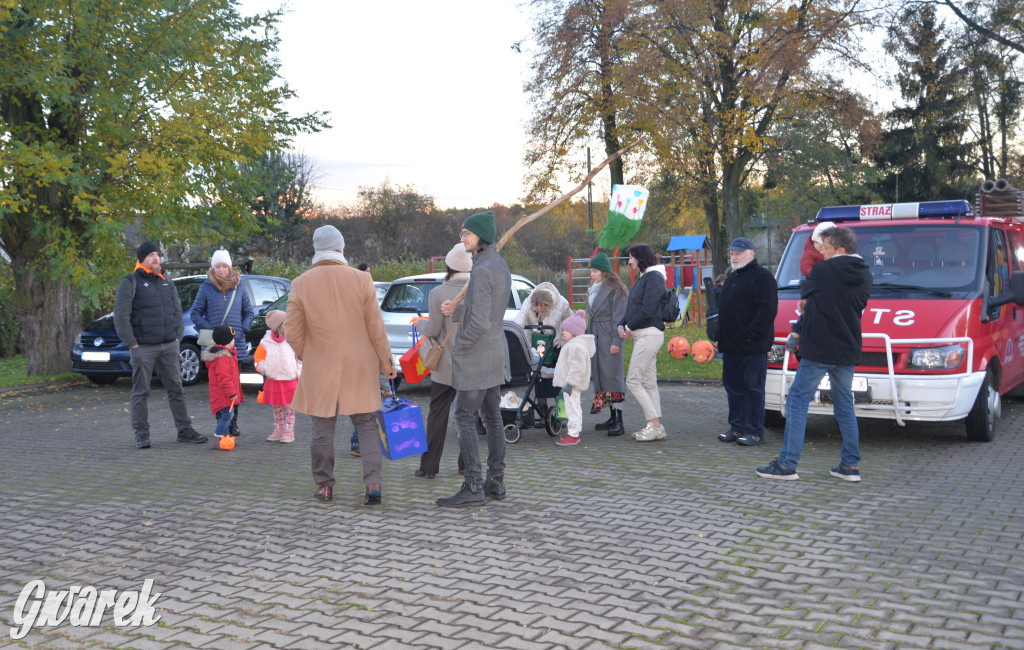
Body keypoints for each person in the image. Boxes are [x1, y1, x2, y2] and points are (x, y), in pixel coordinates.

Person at [285, 225, 398, 505]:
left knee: (322, 429)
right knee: (367, 426)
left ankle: (324, 486)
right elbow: (376, 328)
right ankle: (373, 484)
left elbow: (292, 331)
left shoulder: (300, 283)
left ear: (315, 249)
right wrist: (387, 363)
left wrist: (307, 354)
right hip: (360, 366)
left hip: (320, 365)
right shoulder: (362, 280)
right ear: (341, 249)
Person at [757, 227, 872, 481]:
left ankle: (787, 464)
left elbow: (807, 291)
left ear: (840, 250)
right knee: (844, 405)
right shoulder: (866, 275)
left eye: (827, 247)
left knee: (797, 401)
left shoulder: (822, 271)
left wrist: (810, 301)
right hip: (847, 348)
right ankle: (850, 465)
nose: (823, 251)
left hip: (819, 347)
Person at [436, 211, 512, 507]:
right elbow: (482, 309)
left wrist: (461, 346)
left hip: (478, 354)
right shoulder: (499, 265)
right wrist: (453, 311)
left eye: (467, 234)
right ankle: (496, 482)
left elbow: (479, 322)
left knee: (464, 417)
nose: (462, 238)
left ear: (481, 237)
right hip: (494, 351)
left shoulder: (482, 269)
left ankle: (473, 486)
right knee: (492, 417)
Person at [114, 242, 207, 449]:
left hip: (169, 345)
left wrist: (177, 336)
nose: (156, 258)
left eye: (157, 254)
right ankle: (141, 434)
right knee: (141, 392)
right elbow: (121, 317)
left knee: (177, 389)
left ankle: (184, 430)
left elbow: (177, 310)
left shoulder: (167, 281)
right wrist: (133, 344)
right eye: (151, 255)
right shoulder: (130, 282)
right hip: (143, 348)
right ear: (141, 259)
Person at [414, 242, 472, 478]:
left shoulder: (439, 293)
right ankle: (465, 465)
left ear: (449, 266)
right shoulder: (477, 289)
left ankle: (429, 468)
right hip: (470, 364)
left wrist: (420, 324)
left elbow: (433, 328)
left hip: (445, 365)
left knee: (437, 414)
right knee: (468, 415)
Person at [716, 237, 779, 447]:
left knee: (753, 389)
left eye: (738, 253)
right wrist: (720, 337)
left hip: (752, 347)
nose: (733, 257)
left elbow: (767, 310)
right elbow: (724, 311)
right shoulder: (732, 278)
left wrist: (751, 334)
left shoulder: (762, 277)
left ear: (750, 254)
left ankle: (754, 431)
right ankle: (737, 427)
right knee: (734, 388)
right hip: (732, 347)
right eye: (732, 253)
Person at [190, 249, 254, 436]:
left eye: (224, 266)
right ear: (213, 267)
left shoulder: (239, 287)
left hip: (236, 345)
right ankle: (222, 423)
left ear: (230, 266)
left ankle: (233, 423)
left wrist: (242, 328)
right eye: (217, 266)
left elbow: (248, 312)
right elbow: (195, 313)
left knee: (234, 385)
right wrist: (210, 328)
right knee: (219, 387)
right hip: (214, 347)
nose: (220, 270)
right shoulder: (206, 287)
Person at [616, 243, 667, 442]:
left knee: (633, 381)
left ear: (640, 258)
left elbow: (647, 311)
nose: (629, 262)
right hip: (643, 335)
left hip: (649, 335)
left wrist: (627, 328)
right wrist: (622, 325)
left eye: (631, 258)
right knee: (648, 382)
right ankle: (656, 426)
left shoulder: (654, 278)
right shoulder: (645, 278)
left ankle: (655, 424)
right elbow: (632, 309)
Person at [586, 252, 628, 436]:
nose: (591, 274)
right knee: (602, 376)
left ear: (604, 271)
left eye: (595, 271)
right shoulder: (594, 288)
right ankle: (612, 416)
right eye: (591, 270)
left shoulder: (616, 289)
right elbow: (590, 316)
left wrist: (616, 341)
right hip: (596, 336)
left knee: (613, 377)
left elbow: (619, 317)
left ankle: (619, 420)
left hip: (609, 336)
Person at [787, 221, 836, 353]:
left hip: (830, 288)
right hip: (815, 285)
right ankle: (796, 332)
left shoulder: (836, 251)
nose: (821, 249)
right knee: (808, 310)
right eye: (819, 245)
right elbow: (804, 267)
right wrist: (819, 273)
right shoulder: (810, 251)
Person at [254, 310, 301, 444]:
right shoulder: (265, 342)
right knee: (276, 407)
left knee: (289, 408)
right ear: (278, 326)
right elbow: (258, 359)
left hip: (290, 380)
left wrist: (297, 372)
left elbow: (302, 358)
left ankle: (289, 431)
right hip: (273, 380)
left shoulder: (294, 340)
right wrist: (265, 369)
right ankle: (278, 429)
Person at [552, 310, 595, 446]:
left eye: (566, 330)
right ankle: (576, 431)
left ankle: (573, 434)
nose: (563, 332)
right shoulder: (574, 344)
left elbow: (577, 367)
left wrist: (570, 383)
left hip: (571, 385)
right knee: (574, 406)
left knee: (572, 408)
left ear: (574, 332)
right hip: (571, 384)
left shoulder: (576, 346)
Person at [202, 325, 243, 441]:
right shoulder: (223, 358)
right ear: (227, 341)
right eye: (232, 339)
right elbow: (224, 378)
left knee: (227, 415)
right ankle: (218, 436)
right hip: (224, 395)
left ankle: (225, 437)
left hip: (224, 394)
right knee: (227, 415)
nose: (234, 341)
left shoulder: (227, 354)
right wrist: (232, 393)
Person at [514, 281, 574, 348]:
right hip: (533, 345)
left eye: (542, 311)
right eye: (537, 311)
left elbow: (572, 324)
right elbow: (518, 323)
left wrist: (563, 342)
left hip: (555, 346)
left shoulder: (562, 304)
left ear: (549, 306)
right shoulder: (528, 303)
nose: (540, 313)